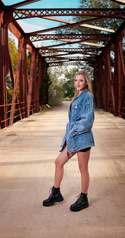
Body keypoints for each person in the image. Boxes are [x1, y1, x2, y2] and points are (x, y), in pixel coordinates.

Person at [42, 70, 95, 212]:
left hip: (82, 138)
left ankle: (84, 198)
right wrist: (69, 135)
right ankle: (56, 193)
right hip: (73, 138)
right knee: (58, 162)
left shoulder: (88, 96)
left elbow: (87, 121)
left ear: (86, 82)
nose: (78, 83)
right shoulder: (77, 96)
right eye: (76, 80)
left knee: (83, 169)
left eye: (81, 80)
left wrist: (72, 131)